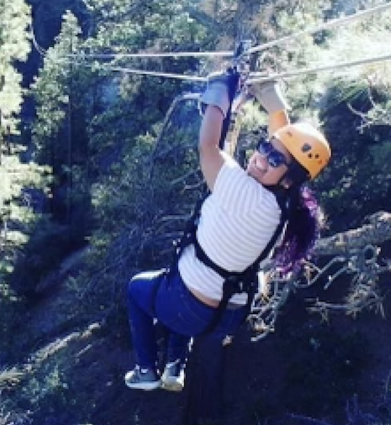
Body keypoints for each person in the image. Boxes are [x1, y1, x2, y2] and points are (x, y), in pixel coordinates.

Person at [124, 71, 332, 391]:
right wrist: (274, 105)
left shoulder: (244, 193)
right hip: (228, 315)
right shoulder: (289, 207)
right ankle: (174, 367)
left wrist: (219, 94)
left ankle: (146, 371)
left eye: (273, 159)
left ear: (289, 179)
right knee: (182, 275)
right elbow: (285, 147)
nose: (261, 157)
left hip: (191, 308)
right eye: (265, 147)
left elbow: (208, 146)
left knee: (138, 289)